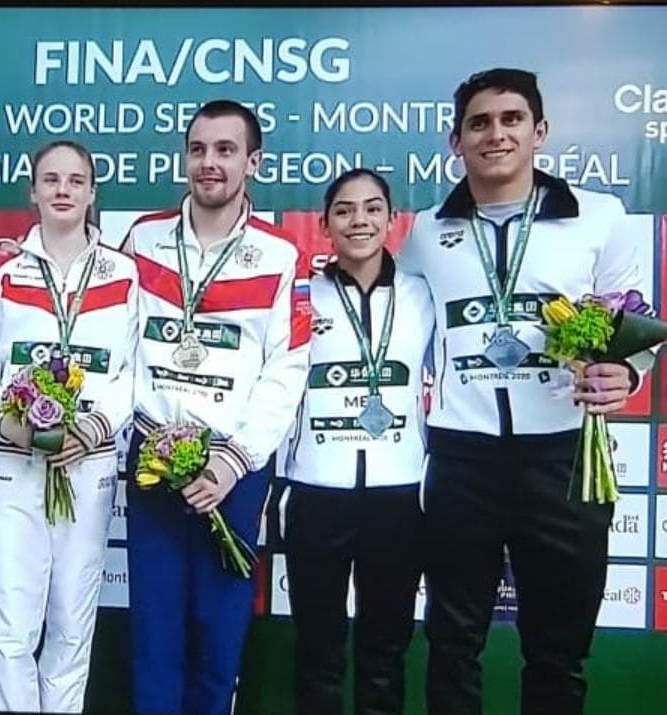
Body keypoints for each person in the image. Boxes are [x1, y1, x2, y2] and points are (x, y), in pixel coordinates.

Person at [397, 68, 647, 715]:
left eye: (511, 119)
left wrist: (628, 371)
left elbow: (634, 320)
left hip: (564, 459)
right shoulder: (426, 230)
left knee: (558, 651)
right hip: (462, 460)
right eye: (479, 122)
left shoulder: (601, 216)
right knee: (452, 643)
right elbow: (395, 327)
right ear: (456, 141)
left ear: (540, 132)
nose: (496, 134)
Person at [122, 100, 312, 715]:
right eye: (199, 149)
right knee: (153, 627)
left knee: (218, 628)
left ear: (252, 162)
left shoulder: (282, 254)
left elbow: (288, 368)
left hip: (233, 471)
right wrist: (146, 432)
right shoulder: (142, 239)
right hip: (151, 456)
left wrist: (234, 459)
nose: (210, 163)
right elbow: (117, 344)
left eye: (226, 150)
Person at [0, 140, 138, 713]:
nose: (63, 190)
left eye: (75, 180)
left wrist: (88, 428)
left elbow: (132, 371)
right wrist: (6, 423)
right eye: (51, 179)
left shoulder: (124, 273)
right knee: (11, 627)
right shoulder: (7, 272)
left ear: (92, 192)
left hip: (85, 468)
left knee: (70, 623)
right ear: (33, 191)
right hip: (12, 467)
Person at [283, 169, 433, 715]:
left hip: (399, 497)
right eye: (344, 210)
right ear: (324, 225)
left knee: (385, 650)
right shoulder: (301, 297)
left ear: (392, 220)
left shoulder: (422, 296)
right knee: (318, 649)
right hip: (317, 493)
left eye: (373, 209)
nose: (359, 220)